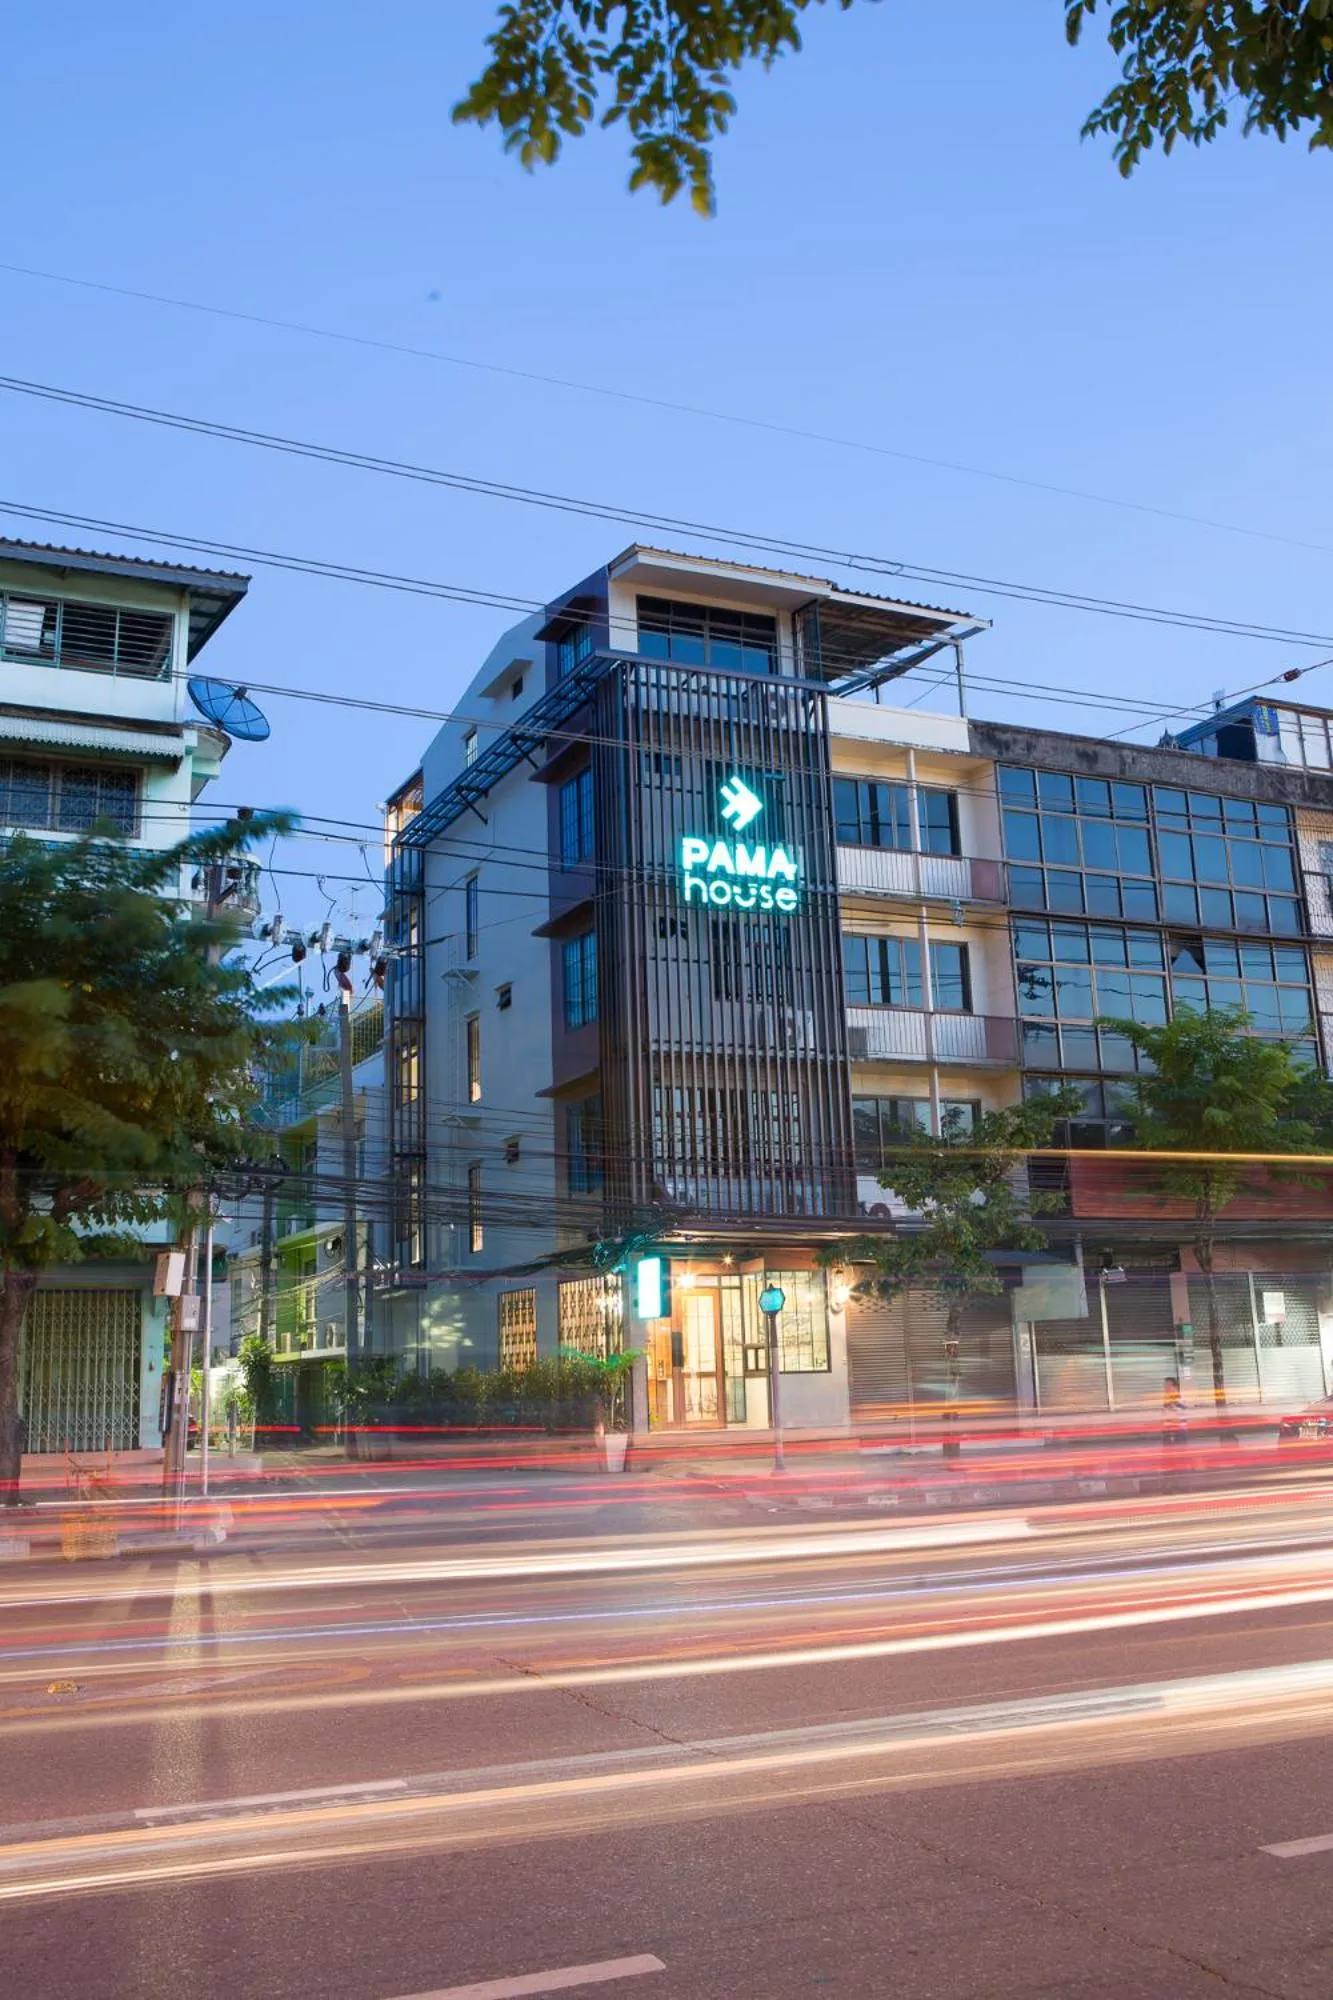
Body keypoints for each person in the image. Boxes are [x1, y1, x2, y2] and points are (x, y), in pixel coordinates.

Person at [1162, 1374, 1187, 1449]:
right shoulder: (1166, 1399)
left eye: (1168, 1386)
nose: (1165, 1388)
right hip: (1168, 1431)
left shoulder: (1179, 1399)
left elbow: (1179, 1418)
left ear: (1175, 1387)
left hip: (1177, 1432)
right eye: (1165, 1385)